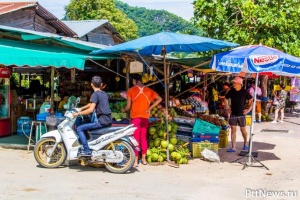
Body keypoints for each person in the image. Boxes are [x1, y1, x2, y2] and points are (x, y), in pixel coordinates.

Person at [122, 74, 162, 167]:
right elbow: (159, 99)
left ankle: (135, 161)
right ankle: (143, 159)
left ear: (134, 81)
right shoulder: (148, 90)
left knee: (135, 139)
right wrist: (150, 108)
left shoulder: (131, 90)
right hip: (145, 117)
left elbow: (128, 107)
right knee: (143, 137)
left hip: (135, 117)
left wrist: (123, 110)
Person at [73, 76, 112, 156]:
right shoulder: (103, 93)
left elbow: (91, 110)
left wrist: (78, 113)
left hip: (102, 121)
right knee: (86, 124)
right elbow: (92, 103)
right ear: (101, 84)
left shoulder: (95, 94)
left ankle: (87, 150)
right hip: (108, 119)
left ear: (91, 84)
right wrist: (81, 108)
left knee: (79, 128)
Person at [225, 76, 253, 152]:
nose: (233, 84)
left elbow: (251, 100)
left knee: (243, 130)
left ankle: (245, 143)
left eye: (234, 83)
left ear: (239, 84)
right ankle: (233, 147)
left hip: (241, 114)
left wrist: (248, 109)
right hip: (233, 113)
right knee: (233, 129)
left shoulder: (245, 92)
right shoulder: (231, 91)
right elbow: (226, 99)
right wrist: (227, 108)